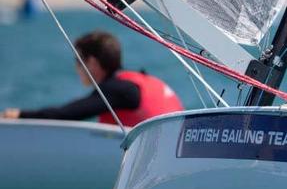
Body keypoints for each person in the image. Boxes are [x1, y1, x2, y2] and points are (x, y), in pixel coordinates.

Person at [2, 30, 183, 125]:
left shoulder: (116, 90)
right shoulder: (138, 81)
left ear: (92, 62)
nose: (76, 67)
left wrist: (20, 115)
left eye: (78, 60)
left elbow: (66, 114)